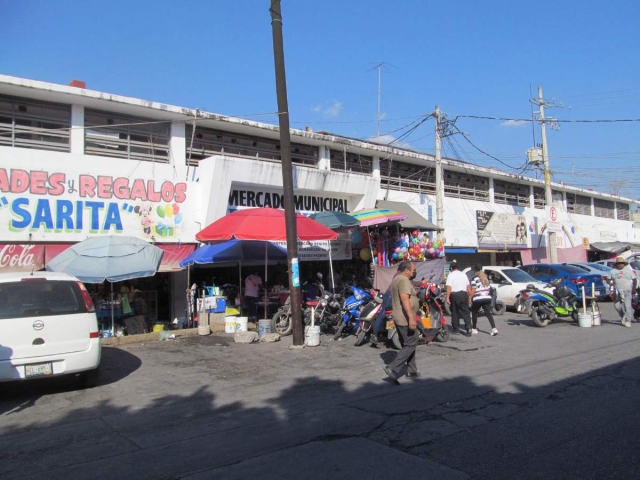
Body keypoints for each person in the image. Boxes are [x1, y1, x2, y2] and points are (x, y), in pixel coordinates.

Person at [383, 260, 420, 384]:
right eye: (413, 270)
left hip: (399, 316)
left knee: (409, 342)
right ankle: (393, 368)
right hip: (404, 318)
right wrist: (411, 318)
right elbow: (405, 299)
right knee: (411, 342)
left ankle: (412, 370)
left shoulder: (397, 278)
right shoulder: (403, 280)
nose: (414, 272)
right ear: (407, 270)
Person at [470, 265, 498, 336]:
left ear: (475, 271)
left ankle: (474, 329)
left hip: (478, 298)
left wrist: (469, 298)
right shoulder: (485, 278)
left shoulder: (474, 279)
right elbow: (488, 289)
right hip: (487, 297)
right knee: (488, 313)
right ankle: (494, 328)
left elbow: (473, 290)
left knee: (474, 313)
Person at [609, 256, 638, 328]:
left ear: (624, 264)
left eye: (621, 263)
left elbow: (634, 279)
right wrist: (609, 282)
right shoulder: (612, 271)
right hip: (617, 291)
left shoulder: (628, 270)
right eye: (618, 263)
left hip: (627, 290)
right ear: (616, 264)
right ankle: (623, 316)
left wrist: (634, 289)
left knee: (627, 306)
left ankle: (628, 320)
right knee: (617, 306)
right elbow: (608, 279)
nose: (620, 264)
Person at [446, 262, 472, 336]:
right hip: (464, 294)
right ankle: (468, 328)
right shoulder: (463, 274)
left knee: (455, 312)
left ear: (451, 268)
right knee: (466, 312)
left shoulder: (450, 275)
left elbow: (449, 287)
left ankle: (456, 329)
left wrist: (447, 297)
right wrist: (469, 296)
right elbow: (468, 286)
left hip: (455, 295)